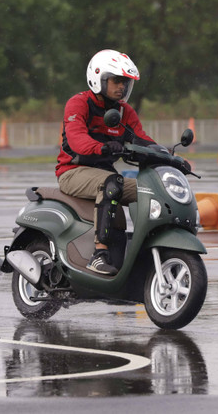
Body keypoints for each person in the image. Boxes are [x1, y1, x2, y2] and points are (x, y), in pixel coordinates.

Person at [56, 49, 162, 275]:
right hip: (73, 172)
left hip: (103, 174)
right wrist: (102, 147)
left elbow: (141, 139)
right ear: (99, 77)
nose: (122, 86)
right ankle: (99, 255)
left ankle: (148, 252)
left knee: (154, 190)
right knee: (113, 183)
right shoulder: (79, 103)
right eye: (116, 80)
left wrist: (169, 156)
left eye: (125, 82)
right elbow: (77, 140)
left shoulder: (124, 111)